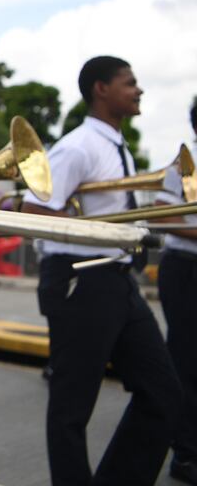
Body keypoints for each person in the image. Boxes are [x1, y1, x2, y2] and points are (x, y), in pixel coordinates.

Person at [21, 56, 181, 486]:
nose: (139, 89)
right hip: (81, 277)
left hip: (115, 275)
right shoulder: (77, 146)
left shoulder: (116, 145)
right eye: (130, 82)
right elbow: (34, 210)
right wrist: (96, 229)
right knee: (72, 408)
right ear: (101, 89)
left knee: (164, 393)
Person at [157, 101, 197, 484]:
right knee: (187, 360)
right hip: (187, 267)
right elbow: (161, 214)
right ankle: (185, 454)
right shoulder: (185, 162)